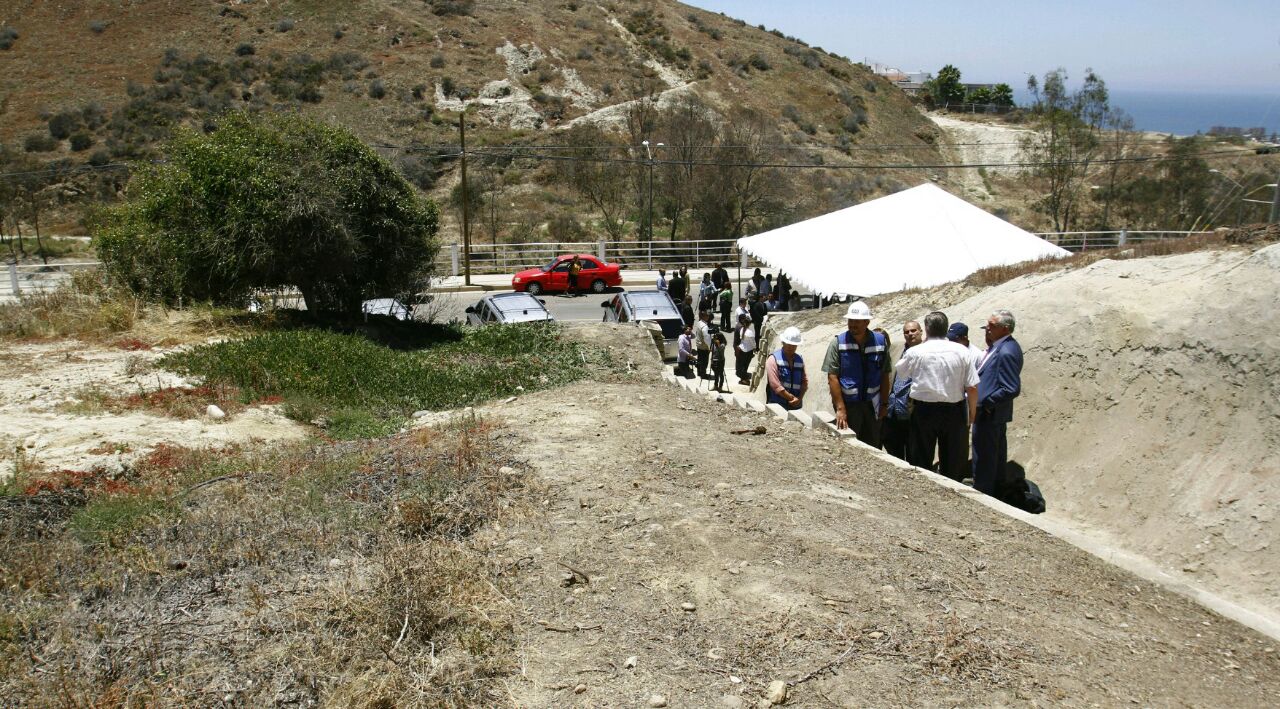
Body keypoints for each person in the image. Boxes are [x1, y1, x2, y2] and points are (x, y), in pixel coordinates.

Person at [895, 312, 978, 481]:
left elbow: (901, 373)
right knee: (951, 459)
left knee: (921, 457)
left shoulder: (916, 351)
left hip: (924, 409)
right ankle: (950, 491)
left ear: (926, 329)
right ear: (946, 328)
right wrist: (972, 413)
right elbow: (972, 386)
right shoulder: (962, 351)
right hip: (954, 410)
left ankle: (922, 492)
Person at [822, 301, 891, 446]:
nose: (853, 324)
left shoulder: (880, 342)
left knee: (873, 444)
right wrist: (840, 408)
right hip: (849, 406)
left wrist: (884, 404)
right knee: (849, 446)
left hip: (873, 405)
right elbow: (832, 377)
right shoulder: (838, 343)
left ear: (866, 322)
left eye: (857, 321)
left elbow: (885, 374)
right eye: (850, 321)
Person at [972, 310, 1023, 497]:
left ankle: (984, 493)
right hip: (989, 413)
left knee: (986, 457)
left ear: (1005, 328)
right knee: (991, 456)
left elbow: (1011, 388)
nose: (988, 328)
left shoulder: (1007, 351)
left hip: (990, 413)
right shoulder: (998, 346)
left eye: (992, 326)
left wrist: (986, 402)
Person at [883, 320, 922, 461]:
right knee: (893, 449)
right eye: (907, 332)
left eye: (913, 330)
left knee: (914, 452)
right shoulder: (896, 348)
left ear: (921, 331)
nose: (910, 334)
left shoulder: (926, 351)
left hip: (913, 410)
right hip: (892, 408)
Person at [766, 326, 807, 410]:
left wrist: (799, 398)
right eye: (788, 344)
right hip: (777, 405)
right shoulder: (773, 359)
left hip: (796, 406)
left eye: (793, 345)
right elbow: (775, 385)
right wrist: (792, 398)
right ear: (783, 342)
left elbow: (804, 382)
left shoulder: (799, 360)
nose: (791, 347)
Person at [733, 313, 756, 385]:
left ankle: (742, 378)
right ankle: (743, 379)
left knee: (742, 364)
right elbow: (753, 343)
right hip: (747, 351)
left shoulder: (742, 329)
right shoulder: (749, 332)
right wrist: (755, 348)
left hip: (741, 348)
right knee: (745, 365)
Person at [694, 309, 714, 380]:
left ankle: (699, 372)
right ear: (704, 316)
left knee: (700, 360)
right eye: (707, 315)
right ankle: (703, 374)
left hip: (699, 345)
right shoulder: (705, 326)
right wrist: (710, 347)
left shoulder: (699, 323)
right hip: (704, 346)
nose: (708, 317)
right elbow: (706, 339)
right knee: (704, 361)